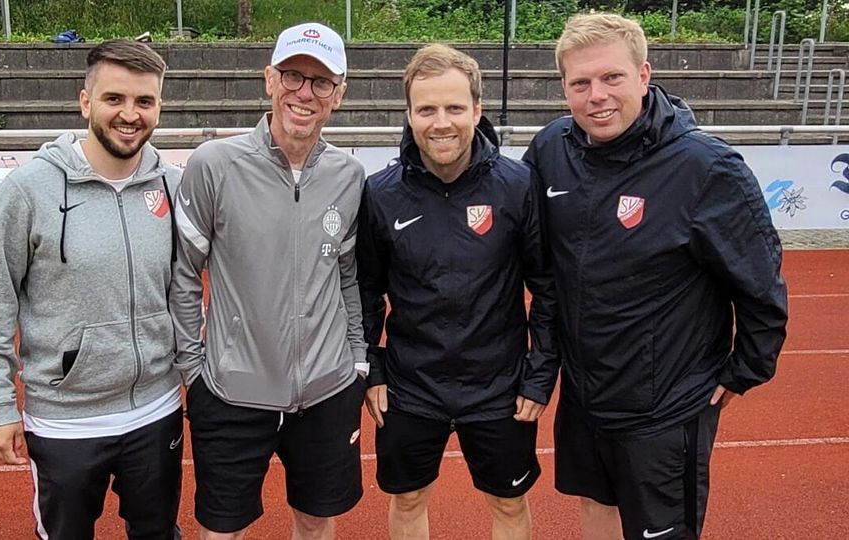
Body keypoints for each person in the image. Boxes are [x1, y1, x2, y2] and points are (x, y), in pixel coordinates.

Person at [522, 13, 789, 540]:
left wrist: (743, 371)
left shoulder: (706, 168)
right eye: (580, 83)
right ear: (564, 89)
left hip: (665, 406)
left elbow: (761, 287)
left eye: (612, 78)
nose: (596, 95)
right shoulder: (551, 149)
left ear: (644, 75)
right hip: (584, 394)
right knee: (595, 507)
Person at [0, 40, 184, 539]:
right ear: (85, 102)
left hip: (156, 410)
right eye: (114, 99)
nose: (129, 115)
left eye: (144, 102)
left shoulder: (171, 186)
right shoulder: (29, 190)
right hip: (65, 422)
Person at [168, 22, 367, 540]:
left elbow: (347, 275)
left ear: (338, 96)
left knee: (315, 520)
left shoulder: (349, 176)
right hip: (232, 393)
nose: (305, 92)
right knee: (222, 529)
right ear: (269, 80)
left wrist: (358, 360)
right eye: (293, 76)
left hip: (328, 389)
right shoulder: (214, 165)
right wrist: (194, 371)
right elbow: (183, 274)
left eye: (321, 82)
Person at [356, 44, 560, 539]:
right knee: (408, 499)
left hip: (499, 387)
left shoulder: (518, 185)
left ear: (477, 110)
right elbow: (364, 292)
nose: (440, 122)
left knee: (509, 505)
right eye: (426, 109)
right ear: (409, 114)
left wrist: (538, 376)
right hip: (411, 385)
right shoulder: (381, 194)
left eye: (454, 107)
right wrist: (373, 368)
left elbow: (548, 288)